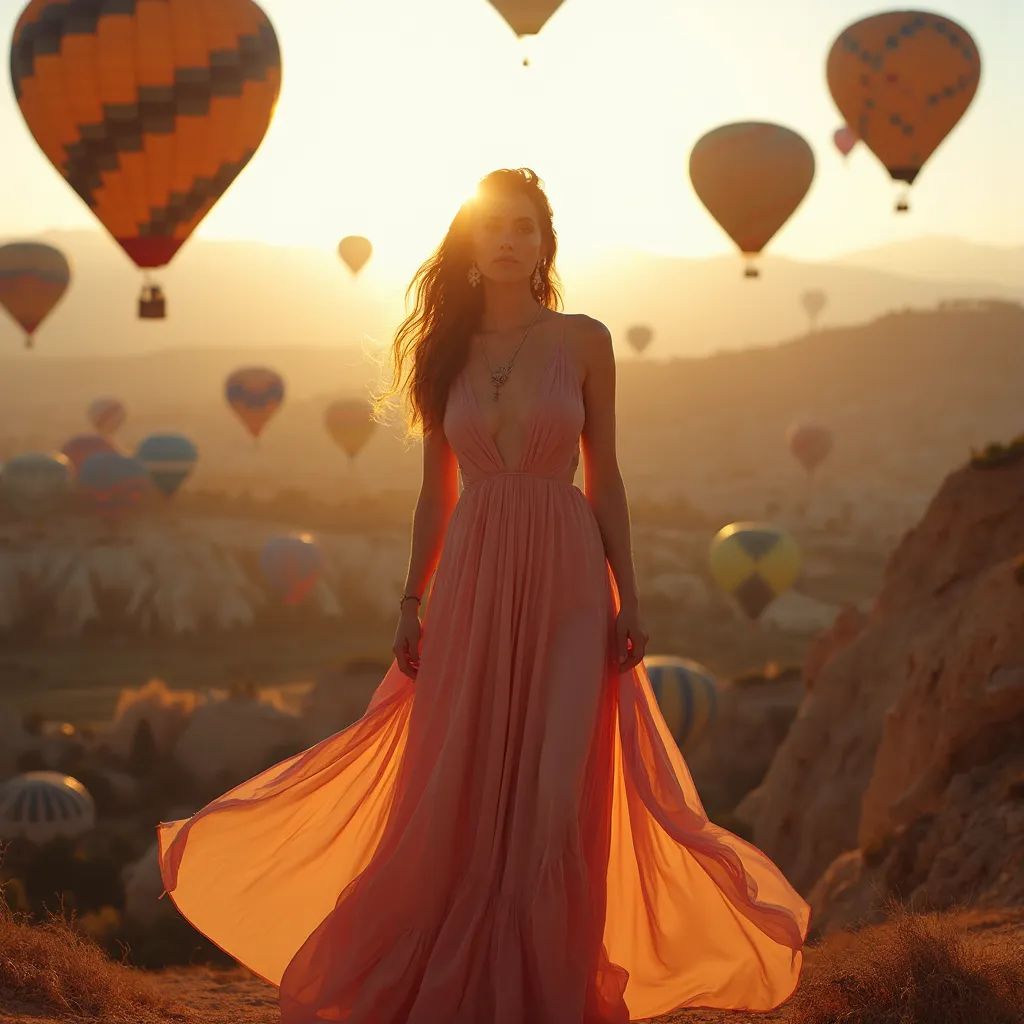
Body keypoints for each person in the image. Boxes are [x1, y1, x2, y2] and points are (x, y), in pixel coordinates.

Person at [156, 168, 810, 1024]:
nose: (509, 239)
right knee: (456, 779)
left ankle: (545, 988)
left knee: (553, 786)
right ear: (470, 244)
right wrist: (408, 601)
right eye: (494, 226)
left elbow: (605, 474)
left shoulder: (585, 339)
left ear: (545, 244)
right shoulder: (443, 351)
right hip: (471, 574)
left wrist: (632, 594)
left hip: (569, 573)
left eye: (526, 227)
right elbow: (437, 492)